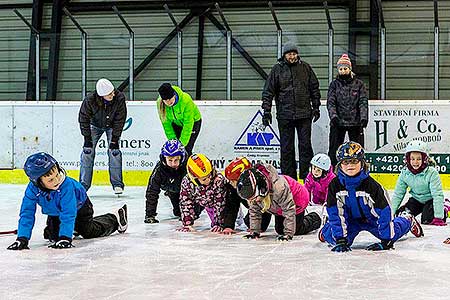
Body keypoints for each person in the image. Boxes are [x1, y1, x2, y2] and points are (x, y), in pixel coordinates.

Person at [7, 152, 128, 250]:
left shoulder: (66, 186)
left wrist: (65, 237)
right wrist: (22, 238)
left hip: (80, 207)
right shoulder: (32, 190)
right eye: (50, 180)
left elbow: (68, 213)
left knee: (89, 232)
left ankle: (114, 218)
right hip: (55, 211)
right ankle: (72, 228)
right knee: (52, 237)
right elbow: (26, 213)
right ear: (38, 182)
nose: (56, 181)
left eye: (57, 175)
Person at [319, 141, 423, 252]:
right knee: (334, 239)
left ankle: (407, 220)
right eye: (346, 162)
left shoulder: (372, 186)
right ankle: (326, 229)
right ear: (340, 164)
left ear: (362, 162)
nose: (350, 165)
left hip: (371, 220)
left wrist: (386, 239)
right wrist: (340, 239)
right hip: (350, 220)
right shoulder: (334, 186)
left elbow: (384, 212)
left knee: (392, 234)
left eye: (354, 161)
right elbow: (335, 212)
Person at [261, 43, 321, 180]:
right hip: (285, 115)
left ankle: (307, 177)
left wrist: (316, 107)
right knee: (286, 148)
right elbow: (268, 91)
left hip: (304, 114)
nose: (292, 56)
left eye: (294, 54)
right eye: (289, 54)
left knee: (305, 146)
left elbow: (314, 88)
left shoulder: (305, 68)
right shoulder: (277, 70)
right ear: (284, 55)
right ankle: (289, 179)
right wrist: (267, 111)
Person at [236, 164, 321, 241]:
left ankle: (314, 218)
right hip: (277, 205)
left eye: (254, 198)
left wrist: (288, 234)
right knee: (280, 229)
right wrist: (254, 232)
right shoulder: (254, 192)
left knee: (294, 230)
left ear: (261, 190)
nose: (252, 201)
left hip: (297, 200)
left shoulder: (279, 188)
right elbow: (254, 212)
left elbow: (288, 210)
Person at [78, 78, 127, 194]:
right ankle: (83, 185)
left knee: (114, 152)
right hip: (94, 125)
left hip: (112, 126)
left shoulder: (119, 98)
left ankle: (117, 184)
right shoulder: (90, 100)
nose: (113, 95)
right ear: (102, 95)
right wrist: (87, 138)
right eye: (109, 94)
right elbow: (83, 118)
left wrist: (115, 139)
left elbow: (120, 120)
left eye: (113, 92)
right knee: (87, 151)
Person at [391, 140, 447, 226]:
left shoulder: (432, 173)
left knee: (427, 219)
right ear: (408, 159)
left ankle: (446, 208)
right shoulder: (405, 173)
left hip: (430, 200)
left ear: (424, 159)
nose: (415, 162)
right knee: (401, 216)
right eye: (412, 159)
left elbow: (437, 194)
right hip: (416, 200)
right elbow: (398, 194)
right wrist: (390, 213)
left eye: (419, 159)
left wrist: (439, 217)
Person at [327, 53, 368, 167]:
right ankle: (333, 172)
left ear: (350, 69)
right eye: (341, 69)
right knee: (334, 149)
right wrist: (333, 116)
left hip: (355, 122)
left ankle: (359, 170)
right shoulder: (334, 85)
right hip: (337, 122)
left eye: (345, 68)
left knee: (357, 150)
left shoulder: (359, 84)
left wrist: (364, 117)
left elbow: (363, 101)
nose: (343, 71)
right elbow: (331, 102)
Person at [222, 157, 272, 235]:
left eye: (233, 181)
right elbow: (231, 206)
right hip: (253, 209)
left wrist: (259, 227)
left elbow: (266, 206)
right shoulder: (233, 187)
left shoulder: (260, 184)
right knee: (248, 222)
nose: (231, 183)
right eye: (230, 180)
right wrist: (228, 226)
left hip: (265, 209)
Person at [178, 154, 227, 232]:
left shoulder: (218, 180)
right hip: (204, 203)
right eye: (204, 179)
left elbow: (220, 203)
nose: (209, 179)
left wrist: (220, 224)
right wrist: (188, 224)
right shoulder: (186, 183)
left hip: (226, 205)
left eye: (209, 175)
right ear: (195, 179)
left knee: (232, 222)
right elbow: (185, 203)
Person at [157, 83, 202, 156]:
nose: (168, 102)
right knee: (174, 150)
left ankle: (186, 166)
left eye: (170, 98)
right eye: (165, 100)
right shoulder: (160, 103)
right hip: (176, 123)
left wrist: (181, 145)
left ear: (174, 95)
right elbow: (166, 125)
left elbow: (188, 124)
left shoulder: (186, 100)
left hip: (193, 122)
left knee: (186, 149)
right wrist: (173, 143)